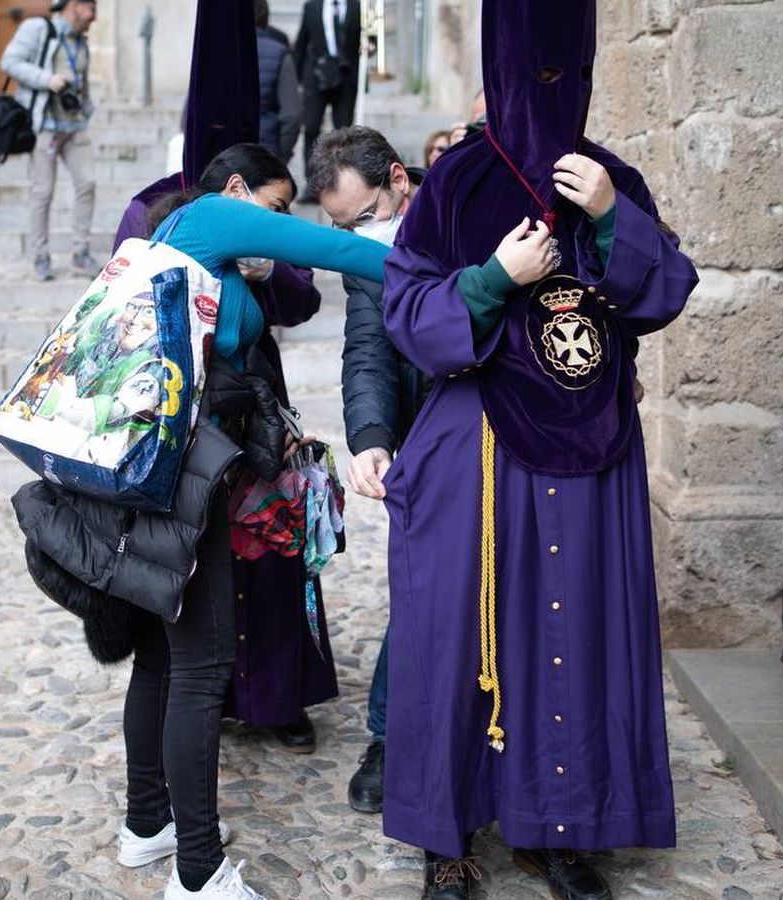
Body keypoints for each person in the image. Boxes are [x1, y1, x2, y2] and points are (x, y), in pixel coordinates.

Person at [378, 1, 699, 897]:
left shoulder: (614, 178)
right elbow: (406, 313)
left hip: (592, 448)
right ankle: (447, 841)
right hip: (477, 446)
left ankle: (565, 831)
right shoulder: (456, 184)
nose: (551, 87)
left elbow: (665, 288)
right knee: (457, 639)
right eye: (536, 69)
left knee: (576, 630)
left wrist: (607, 220)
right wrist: (493, 279)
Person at [109, 143, 389, 900]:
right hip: (182, 481)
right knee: (199, 669)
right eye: (273, 205)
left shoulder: (179, 238)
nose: (277, 221)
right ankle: (199, 875)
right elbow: (331, 247)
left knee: (164, 661)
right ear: (237, 191)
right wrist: (453, 269)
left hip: (162, 473)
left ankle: (147, 827)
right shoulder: (211, 220)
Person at [308, 124, 429, 816]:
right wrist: (372, 438)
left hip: (500, 431)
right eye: (338, 227)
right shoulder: (362, 258)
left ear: (398, 183)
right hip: (420, 441)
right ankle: (389, 735)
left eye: (360, 219)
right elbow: (366, 352)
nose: (353, 238)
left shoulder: (458, 216)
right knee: (418, 587)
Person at [0, 0, 97, 282]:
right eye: (92, 8)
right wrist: (47, 79)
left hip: (74, 124)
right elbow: (8, 61)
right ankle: (40, 255)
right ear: (77, 6)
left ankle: (81, 253)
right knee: (42, 191)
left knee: (87, 182)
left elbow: (83, 81)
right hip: (44, 125)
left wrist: (88, 108)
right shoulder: (37, 29)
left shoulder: (82, 42)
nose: (94, 16)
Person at [289, 0, 358, 201]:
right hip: (316, 76)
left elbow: (367, 41)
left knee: (344, 132)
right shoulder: (312, 7)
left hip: (346, 76)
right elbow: (302, 42)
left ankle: (344, 184)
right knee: (311, 129)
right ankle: (313, 185)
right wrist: (297, 79)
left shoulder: (356, 7)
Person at [253, 0, 297, 161]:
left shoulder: (221, 51)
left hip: (228, 154)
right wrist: (280, 157)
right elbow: (291, 116)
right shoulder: (280, 53)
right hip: (267, 152)